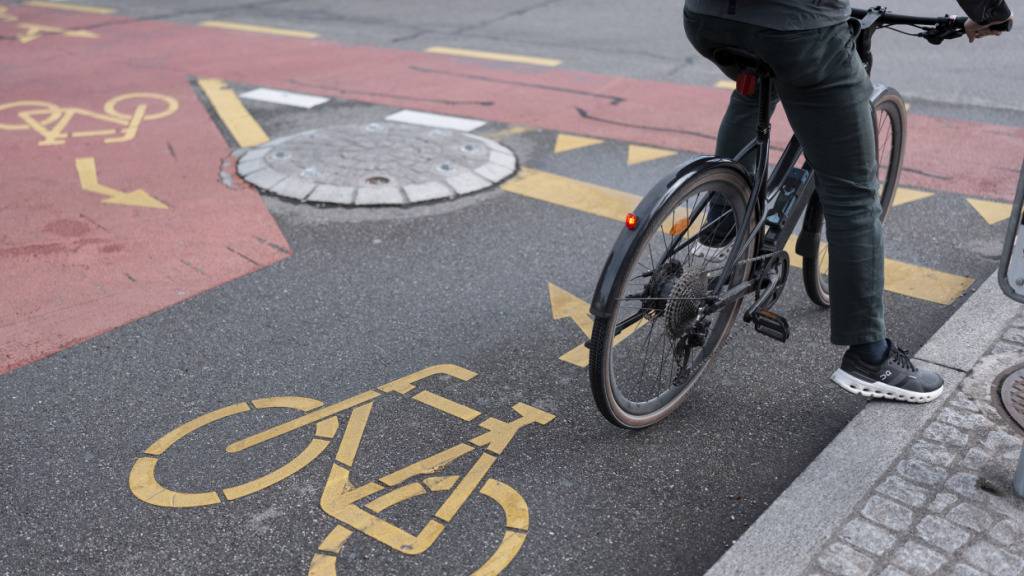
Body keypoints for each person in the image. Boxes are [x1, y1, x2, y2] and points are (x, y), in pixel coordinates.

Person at [682, 0, 1012, 403]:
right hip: (800, 28)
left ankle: (718, 238)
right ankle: (870, 357)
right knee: (853, 191)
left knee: (754, 87)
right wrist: (989, 11)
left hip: (706, 17)